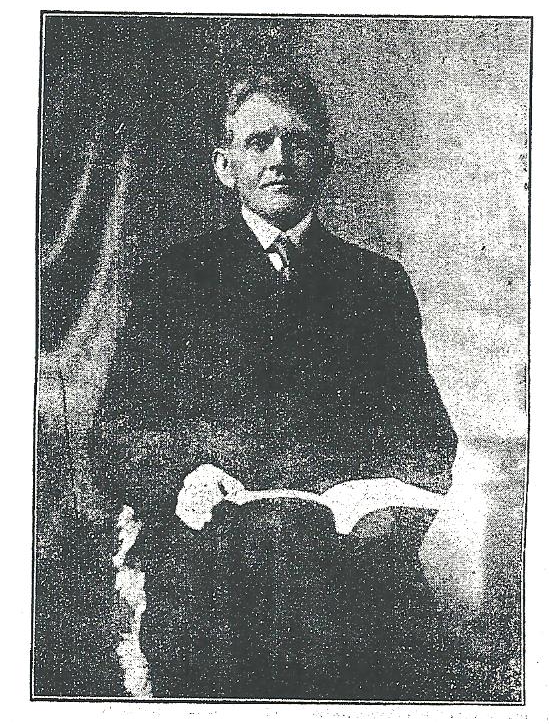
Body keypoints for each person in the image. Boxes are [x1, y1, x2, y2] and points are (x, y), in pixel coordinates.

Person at [91, 62, 458, 699]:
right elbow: (119, 432)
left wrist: (386, 499)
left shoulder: (375, 284)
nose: (280, 159)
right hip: (209, 580)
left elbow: (428, 438)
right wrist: (184, 479)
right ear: (224, 164)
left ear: (324, 160)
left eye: (298, 142)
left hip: (345, 584)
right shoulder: (173, 278)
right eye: (259, 142)